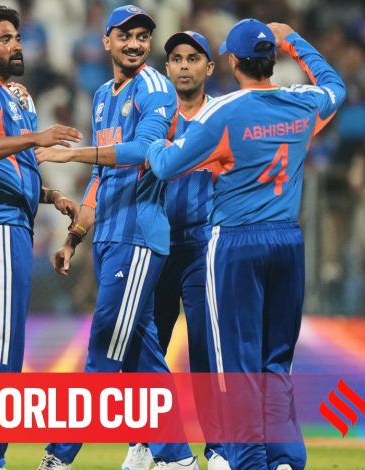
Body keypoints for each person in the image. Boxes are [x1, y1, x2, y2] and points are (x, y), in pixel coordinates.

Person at [146, 20, 345, 470]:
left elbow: (167, 165)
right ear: (270, 59)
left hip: (236, 243)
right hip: (288, 240)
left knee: (236, 364)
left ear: (233, 62)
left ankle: (250, 462)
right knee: (277, 362)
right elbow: (335, 86)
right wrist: (294, 40)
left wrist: (153, 138)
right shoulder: (304, 103)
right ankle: (285, 459)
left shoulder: (225, 112)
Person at [33, 6, 198, 470]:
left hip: (138, 236)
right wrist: (75, 236)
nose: (135, 43)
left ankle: (59, 455)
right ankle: (177, 458)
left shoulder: (155, 88)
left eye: (143, 36)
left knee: (105, 346)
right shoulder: (104, 95)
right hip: (108, 237)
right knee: (142, 352)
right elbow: (101, 178)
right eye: (125, 35)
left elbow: (143, 151)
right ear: (106, 41)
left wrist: (72, 154)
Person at [0, 4, 81, 470]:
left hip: (3, 223)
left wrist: (50, 195)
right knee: (2, 349)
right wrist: (37, 138)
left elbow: (8, 166)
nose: (16, 45)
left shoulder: (11, 95)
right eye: (4, 38)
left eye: (17, 37)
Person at [157, 31, 230, 470]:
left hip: (204, 247)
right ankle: (147, 443)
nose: (184, 65)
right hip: (158, 247)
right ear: (167, 68)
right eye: (177, 58)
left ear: (209, 67)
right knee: (149, 349)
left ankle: (217, 448)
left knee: (206, 350)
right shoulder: (155, 117)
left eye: (193, 58)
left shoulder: (223, 117)